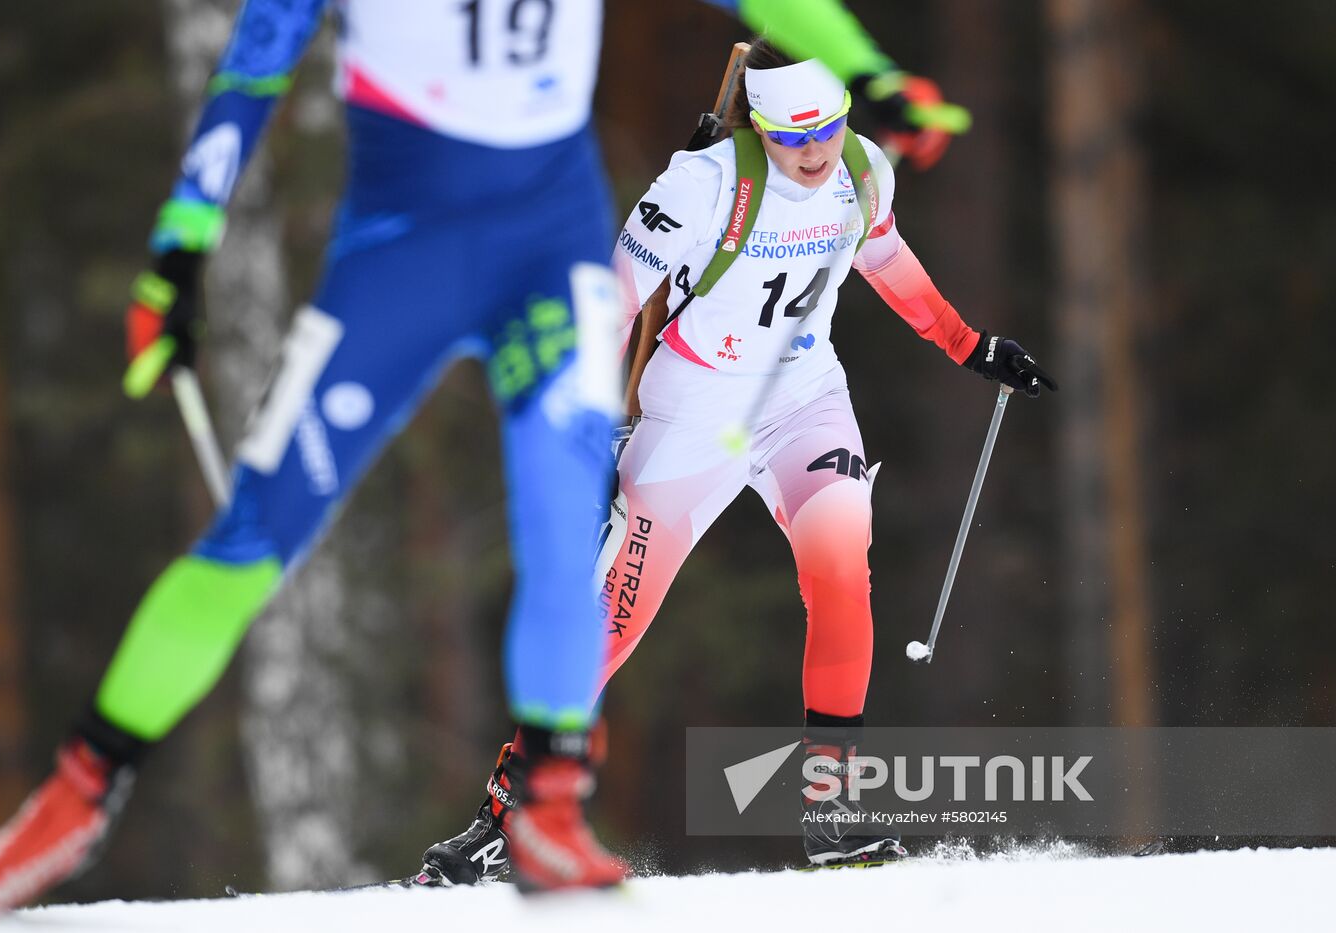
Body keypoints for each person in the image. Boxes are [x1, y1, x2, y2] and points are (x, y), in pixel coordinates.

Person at [0, 1, 969, 916]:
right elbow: (254, 66)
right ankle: (74, 796)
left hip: (550, 256)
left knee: (570, 537)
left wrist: (873, 79)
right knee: (258, 531)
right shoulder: (709, 186)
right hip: (401, 255)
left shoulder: (839, 173)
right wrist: (181, 242)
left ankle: (549, 810)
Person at [418, 37, 1055, 884]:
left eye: (826, 129)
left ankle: (834, 811)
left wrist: (971, 346)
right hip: (693, 417)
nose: (814, 152)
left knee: (840, 563)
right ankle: (509, 815)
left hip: (802, 399)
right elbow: (614, 304)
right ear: (759, 127)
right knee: (609, 626)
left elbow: (886, 259)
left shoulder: (863, 170)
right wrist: (584, 433)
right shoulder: (703, 185)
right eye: (792, 138)